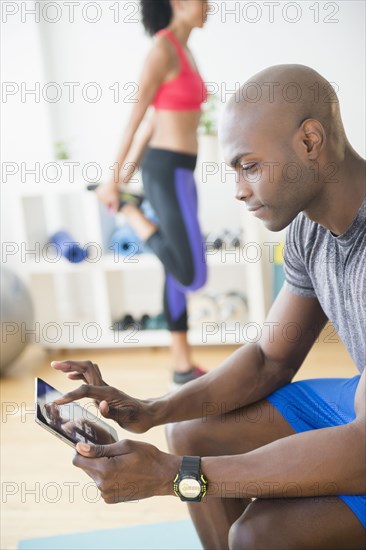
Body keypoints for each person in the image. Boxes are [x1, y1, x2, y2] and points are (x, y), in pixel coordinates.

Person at [52, 65, 366, 548]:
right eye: (234, 171)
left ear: (309, 142)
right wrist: (152, 409)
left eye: (250, 166)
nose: (239, 190)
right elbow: (269, 358)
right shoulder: (309, 229)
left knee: (257, 536)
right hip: (357, 401)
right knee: (188, 433)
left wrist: (172, 477)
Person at [97, 0, 211, 385]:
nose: (209, 5)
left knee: (176, 274)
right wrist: (115, 180)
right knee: (192, 274)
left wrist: (126, 176)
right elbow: (136, 117)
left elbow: (154, 121)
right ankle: (131, 212)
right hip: (164, 171)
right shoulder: (161, 50)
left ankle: (182, 366)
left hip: (181, 172)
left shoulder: (187, 51)